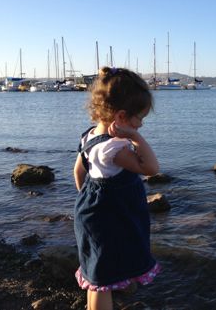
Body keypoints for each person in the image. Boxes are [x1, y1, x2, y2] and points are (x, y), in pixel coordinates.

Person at [73, 67, 160, 310]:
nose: (141, 124)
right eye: (139, 119)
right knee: (105, 280)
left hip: (91, 215)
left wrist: (88, 199)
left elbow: (78, 172)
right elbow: (151, 168)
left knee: (96, 276)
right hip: (111, 222)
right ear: (121, 117)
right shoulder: (115, 149)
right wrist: (136, 139)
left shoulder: (89, 137)